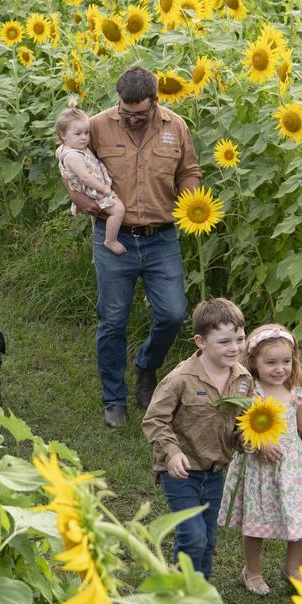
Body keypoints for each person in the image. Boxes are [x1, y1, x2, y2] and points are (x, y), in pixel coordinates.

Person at [66, 65, 201, 428]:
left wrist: (191, 199)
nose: (132, 119)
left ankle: (146, 366)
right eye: (126, 113)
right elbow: (67, 158)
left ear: (156, 102)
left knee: (173, 314)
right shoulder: (97, 125)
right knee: (112, 321)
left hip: (162, 237)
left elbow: (189, 170)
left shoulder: (177, 127)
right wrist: (77, 196)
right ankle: (114, 398)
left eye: (140, 114)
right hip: (113, 237)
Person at [217, 324, 302, 595]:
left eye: (285, 361)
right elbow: (241, 426)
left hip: (291, 467)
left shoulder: (294, 392)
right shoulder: (252, 393)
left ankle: (292, 568)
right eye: (270, 362)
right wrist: (261, 444)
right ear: (254, 363)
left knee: (301, 517)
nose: (279, 368)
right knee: (256, 520)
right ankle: (252, 571)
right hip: (259, 467)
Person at [141, 298, 253, 583]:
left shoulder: (243, 380)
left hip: (215, 471)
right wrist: (171, 451)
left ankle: (198, 595)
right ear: (200, 341)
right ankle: (184, 598)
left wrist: (245, 439)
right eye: (224, 342)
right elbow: (154, 419)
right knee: (192, 535)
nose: (235, 348)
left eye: (240, 339)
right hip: (180, 470)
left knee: (208, 539)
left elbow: (241, 421)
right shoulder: (181, 378)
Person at [54, 101, 127, 256]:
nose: (84, 138)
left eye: (87, 133)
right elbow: (85, 177)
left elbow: (59, 152)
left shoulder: (67, 149)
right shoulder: (73, 155)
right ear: (63, 135)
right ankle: (110, 240)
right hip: (94, 190)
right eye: (78, 134)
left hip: (94, 187)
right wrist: (104, 189)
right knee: (118, 210)